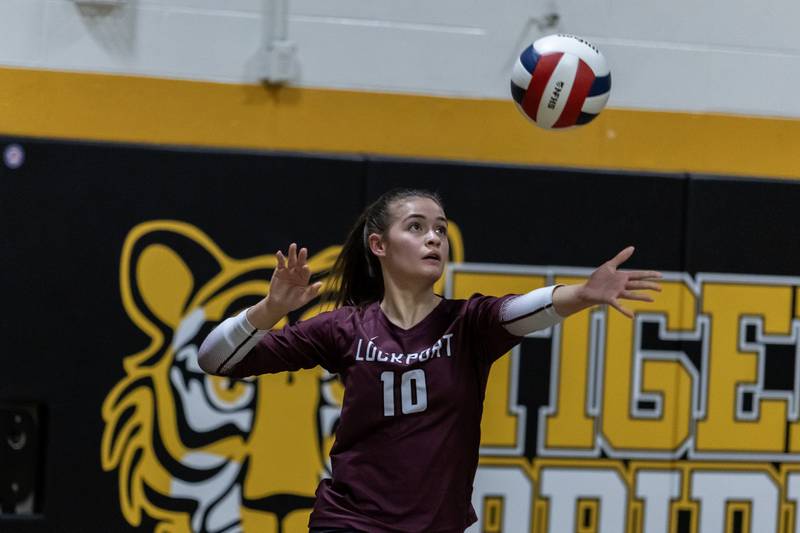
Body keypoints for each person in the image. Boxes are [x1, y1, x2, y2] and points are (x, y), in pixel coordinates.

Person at [198, 188, 662, 533]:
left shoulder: (467, 324)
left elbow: (524, 310)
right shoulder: (343, 327)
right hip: (351, 523)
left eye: (440, 228)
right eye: (416, 227)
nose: (434, 238)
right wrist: (270, 310)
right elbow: (216, 361)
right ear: (379, 245)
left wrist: (582, 294)